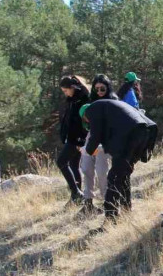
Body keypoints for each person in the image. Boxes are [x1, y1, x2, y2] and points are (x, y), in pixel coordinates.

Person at [83, 95, 157, 225]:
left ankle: (110, 219)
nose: (88, 122)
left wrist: (87, 150)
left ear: (84, 115)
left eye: (86, 121)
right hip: (144, 132)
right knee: (123, 174)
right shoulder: (108, 109)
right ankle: (126, 209)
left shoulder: (92, 110)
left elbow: (95, 135)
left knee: (113, 177)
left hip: (132, 135)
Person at [78, 74, 118, 214]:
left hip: (106, 140)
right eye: (97, 89)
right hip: (92, 137)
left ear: (108, 88)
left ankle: (108, 203)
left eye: (102, 89)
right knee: (86, 168)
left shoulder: (114, 102)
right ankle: (88, 202)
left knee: (102, 172)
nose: (100, 92)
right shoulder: (92, 102)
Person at [57, 75, 91, 205]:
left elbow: (85, 123)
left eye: (66, 91)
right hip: (71, 137)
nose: (65, 94)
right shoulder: (72, 99)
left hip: (76, 139)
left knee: (61, 162)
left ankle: (76, 192)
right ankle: (75, 196)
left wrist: (80, 141)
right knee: (73, 166)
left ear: (72, 87)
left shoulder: (83, 99)